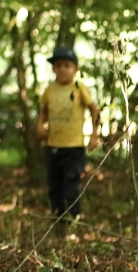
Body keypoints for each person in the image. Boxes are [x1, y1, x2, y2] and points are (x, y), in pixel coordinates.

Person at [36, 45, 100, 229]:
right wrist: (40, 126)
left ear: (75, 69)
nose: (62, 69)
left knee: (71, 187)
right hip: (54, 146)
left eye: (67, 65)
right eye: (58, 65)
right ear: (54, 68)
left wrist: (94, 135)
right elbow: (44, 111)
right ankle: (59, 223)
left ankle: (75, 221)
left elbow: (94, 110)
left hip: (74, 148)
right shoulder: (50, 89)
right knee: (54, 188)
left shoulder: (80, 88)